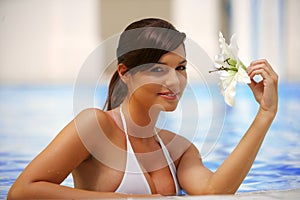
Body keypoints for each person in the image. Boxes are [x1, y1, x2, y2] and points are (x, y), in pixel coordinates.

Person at [8, 18, 278, 199]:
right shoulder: (95, 126)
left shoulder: (179, 150)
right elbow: (22, 191)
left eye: (180, 68)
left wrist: (265, 115)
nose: (174, 81)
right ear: (125, 72)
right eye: (159, 69)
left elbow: (215, 192)